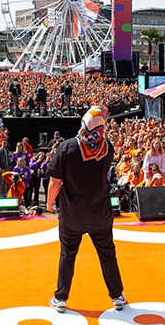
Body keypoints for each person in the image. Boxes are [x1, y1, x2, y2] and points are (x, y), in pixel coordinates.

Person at [46, 106, 126, 313]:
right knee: (107, 254)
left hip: (72, 213)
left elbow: (55, 181)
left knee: (67, 254)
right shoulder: (107, 147)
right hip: (100, 212)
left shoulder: (66, 148)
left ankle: (61, 297)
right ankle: (117, 296)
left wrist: (49, 204)